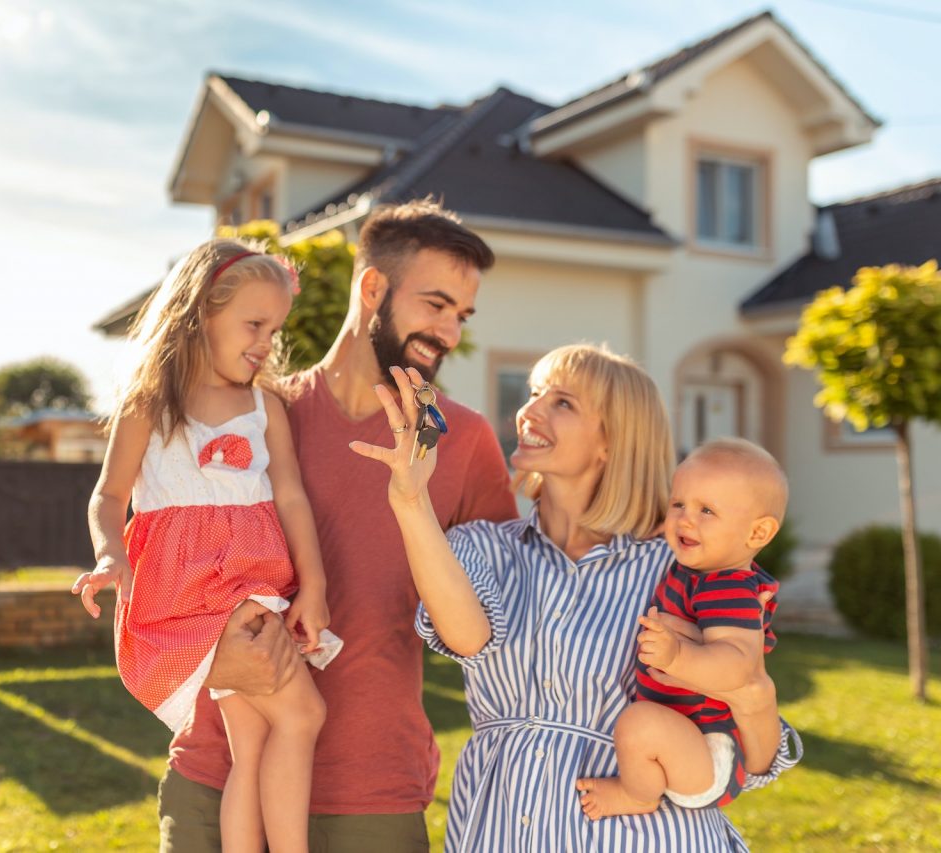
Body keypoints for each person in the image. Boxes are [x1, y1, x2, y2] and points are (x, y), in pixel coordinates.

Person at [153, 200, 518, 852]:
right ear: (372, 287)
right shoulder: (252, 415)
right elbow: (157, 559)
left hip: (369, 795)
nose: (451, 332)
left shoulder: (462, 442)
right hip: (218, 775)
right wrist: (205, 653)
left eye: (461, 315)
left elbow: (499, 625)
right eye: (435, 305)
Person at [351, 346, 801, 851]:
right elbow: (467, 636)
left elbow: (752, 744)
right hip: (502, 830)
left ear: (612, 440)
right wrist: (411, 501)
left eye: (562, 402)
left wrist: (749, 693)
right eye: (534, 393)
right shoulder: (481, 547)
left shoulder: (678, 564)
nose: (529, 410)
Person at [72, 239, 340, 853]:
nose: (265, 343)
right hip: (200, 592)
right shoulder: (151, 402)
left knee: (253, 743)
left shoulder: (263, 405)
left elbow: (291, 497)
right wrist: (111, 554)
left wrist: (315, 585)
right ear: (200, 315)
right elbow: (109, 497)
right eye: (254, 324)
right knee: (304, 716)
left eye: (274, 329)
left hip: (253, 582)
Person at [576, 438, 786, 818]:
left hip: (708, 746)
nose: (685, 519)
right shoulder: (698, 571)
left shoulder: (729, 585)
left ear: (757, 534)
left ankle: (638, 797)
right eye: (678, 504)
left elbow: (738, 663)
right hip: (687, 739)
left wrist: (677, 655)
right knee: (642, 724)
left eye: (706, 510)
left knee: (639, 724)